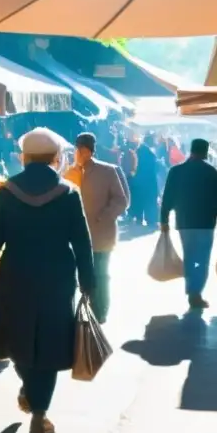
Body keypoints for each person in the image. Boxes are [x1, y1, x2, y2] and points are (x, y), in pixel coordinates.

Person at [0, 128, 96, 433]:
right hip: (56, 279)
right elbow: (82, 244)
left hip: (15, 276)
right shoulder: (68, 193)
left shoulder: (6, 193)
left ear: (25, 157)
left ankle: (29, 390)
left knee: (18, 337)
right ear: (57, 159)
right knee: (48, 343)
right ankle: (39, 412)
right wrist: (89, 282)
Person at [159, 138, 217, 309]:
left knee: (189, 256)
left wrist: (164, 220)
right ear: (205, 152)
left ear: (191, 150)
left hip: (185, 222)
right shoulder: (211, 172)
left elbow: (167, 197)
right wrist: (215, 212)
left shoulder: (176, 171)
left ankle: (192, 291)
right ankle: (196, 291)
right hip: (205, 223)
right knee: (203, 258)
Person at [72, 132, 130, 323]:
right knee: (81, 274)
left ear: (87, 151)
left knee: (101, 274)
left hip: (101, 234)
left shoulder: (108, 171)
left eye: (79, 150)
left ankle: (101, 310)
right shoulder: (70, 172)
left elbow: (122, 200)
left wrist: (104, 217)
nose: (76, 153)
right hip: (76, 235)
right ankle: (84, 308)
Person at [133, 138, 161, 227]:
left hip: (138, 180)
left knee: (139, 200)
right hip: (150, 180)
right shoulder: (151, 154)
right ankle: (151, 219)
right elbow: (157, 167)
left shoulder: (137, 153)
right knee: (150, 200)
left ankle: (139, 218)